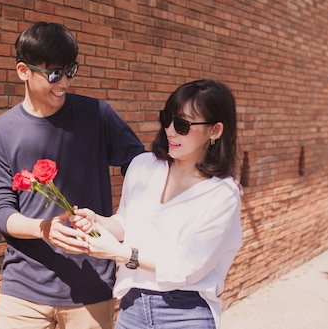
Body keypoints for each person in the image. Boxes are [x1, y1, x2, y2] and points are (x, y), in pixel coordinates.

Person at [0, 22, 145, 329]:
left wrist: (116, 223)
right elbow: (0, 211)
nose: (66, 83)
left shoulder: (97, 115)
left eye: (71, 71)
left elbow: (142, 170)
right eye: (55, 74)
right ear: (23, 71)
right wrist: (43, 229)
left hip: (92, 284)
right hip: (24, 289)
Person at [71, 79, 242, 329]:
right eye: (167, 119)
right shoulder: (143, 166)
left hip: (186, 313)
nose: (170, 130)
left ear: (215, 131)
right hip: (132, 307)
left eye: (183, 124)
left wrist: (119, 253)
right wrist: (99, 222)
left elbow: (188, 266)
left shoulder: (222, 194)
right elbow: (127, 222)